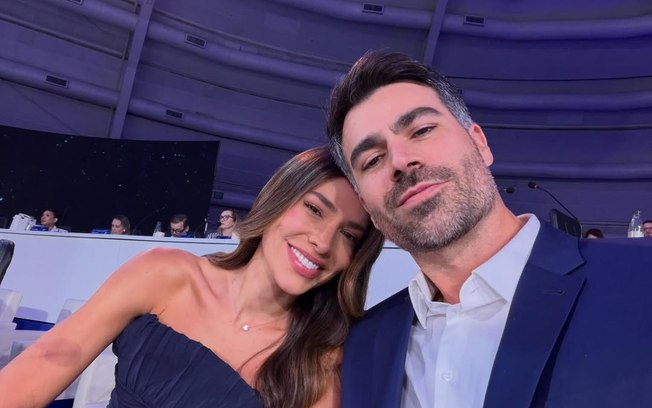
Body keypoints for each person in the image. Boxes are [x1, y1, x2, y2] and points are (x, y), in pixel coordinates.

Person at [326, 51, 652, 408]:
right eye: (372, 160)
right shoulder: (363, 348)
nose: (401, 161)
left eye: (422, 130)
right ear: (367, 207)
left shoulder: (640, 278)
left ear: (480, 143)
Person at [0, 146, 384, 408]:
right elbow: (37, 370)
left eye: (348, 235)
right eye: (315, 210)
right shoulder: (165, 273)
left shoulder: (321, 360)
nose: (323, 242)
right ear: (276, 200)